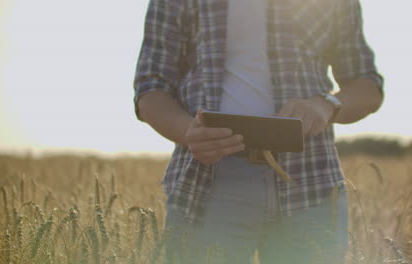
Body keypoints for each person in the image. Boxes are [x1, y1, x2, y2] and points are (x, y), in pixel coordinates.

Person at [133, 0, 383, 263]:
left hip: (311, 181)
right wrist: (188, 133)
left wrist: (326, 105)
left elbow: (368, 85)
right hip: (207, 185)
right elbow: (150, 87)